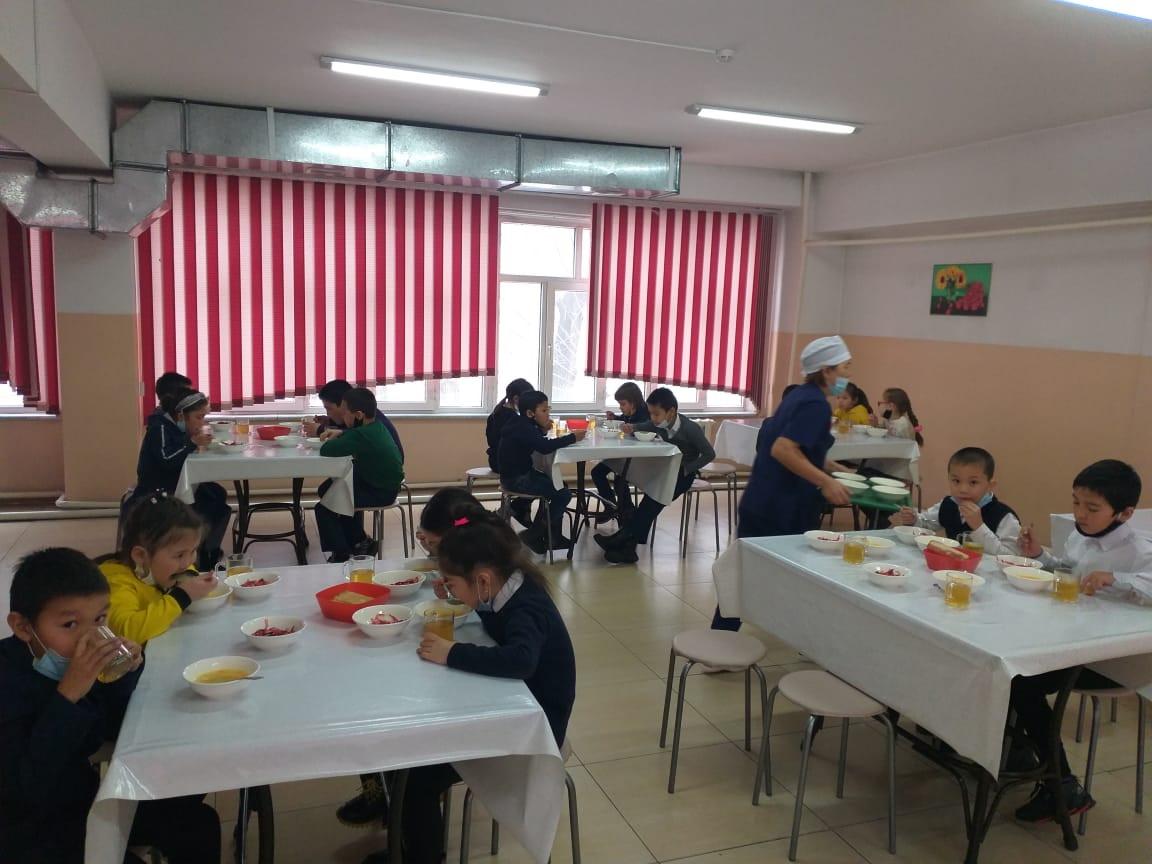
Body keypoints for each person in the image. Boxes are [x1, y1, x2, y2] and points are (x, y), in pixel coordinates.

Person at [361, 513, 576, 864]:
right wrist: (460, 596)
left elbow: (521, 660)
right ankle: (409, 843)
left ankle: (422, 856)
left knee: (416, 775)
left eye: (452, 584)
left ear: (483, 580)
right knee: (407, 754)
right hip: (512, 704)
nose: (450, 592)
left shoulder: (526, 606)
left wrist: (453, 653)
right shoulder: (504, 588)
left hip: (534, 728)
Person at [0, 548, 220, 864]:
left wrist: (124, 675)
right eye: (70, 625)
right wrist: (68, 696)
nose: (90, 637)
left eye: (100, 619)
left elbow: (110, 728)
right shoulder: (10, 680)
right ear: (23, 627)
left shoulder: (68, 665)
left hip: (84, 801)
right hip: (30, 832)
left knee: (197, 822)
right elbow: (25, 788)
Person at [1008, 460, 1152, 823]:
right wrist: (1039, 556)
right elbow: (1067, 572)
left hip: (1112, 661)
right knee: (1010, 666)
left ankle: (1062, 784)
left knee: (1022, 682)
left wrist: (1116, 578)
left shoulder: (1139, 551)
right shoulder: (1080, 536)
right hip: (1072, 641)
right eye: (1075, 503)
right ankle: (1018, 752)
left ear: (1124, 513)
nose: (1080, 514)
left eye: (1092, 508)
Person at [334, 487, 488, 827]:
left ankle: (411, 841)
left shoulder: (500, 578)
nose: (430, 549)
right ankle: (383, 795)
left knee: (412, 768)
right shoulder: (480, 562)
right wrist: (452, 587)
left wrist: (454, 650)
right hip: (478, 671)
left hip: (510, 711)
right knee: (375, 708)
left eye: (435, 544)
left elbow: (519, 656)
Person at [712, 336, 856, 630]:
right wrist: (825, 482)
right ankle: (792, 637)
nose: (848, 374)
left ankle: (724, 635)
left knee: (748, 576)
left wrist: (832, 467)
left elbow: (800, 446)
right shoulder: (816, 405)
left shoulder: (798, 396)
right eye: (844, 367)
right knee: (772, 577)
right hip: (781, 507)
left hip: (762, 500)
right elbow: (783, 449)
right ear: (826, 370)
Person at [593, 388, 716, 564]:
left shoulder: (690, 429)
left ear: (671, 411)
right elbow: (645, 426)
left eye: (656, 414)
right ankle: (627, 547)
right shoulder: (659, 423)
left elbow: (709, 454)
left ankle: (622, 540)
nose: (653, 418)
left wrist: (688, 469)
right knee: (650, 502)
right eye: (651, 413)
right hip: (667, 471)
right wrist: (631, 427)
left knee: (651, 502)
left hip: (683, 475)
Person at [132, 386, 231, 572]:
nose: (202, 422)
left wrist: (193, 438)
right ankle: (200, 555)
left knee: (217, 494)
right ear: (180, 415)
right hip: (158, 491)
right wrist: (192, 442)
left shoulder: (173, 426)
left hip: (176, 483)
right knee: (210, 507)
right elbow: (167, 460)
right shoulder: (159, 428)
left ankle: (208, 551)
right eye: (199, 417)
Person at [98, 494, 219, 645]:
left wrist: (191, 578)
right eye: (179, 555)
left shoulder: (165, 568)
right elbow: (125, 632)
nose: (188, 562)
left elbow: (187, 567)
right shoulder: (117, 582)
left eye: (193, 550)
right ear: (141, 555)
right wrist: (182, 596)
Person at [315, 387, 405, 563]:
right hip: (383, 482)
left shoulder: (360, 435)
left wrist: (335, 435)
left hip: (380, 491)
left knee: (324, 508)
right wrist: (343, 433)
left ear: (358, 415)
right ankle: (359, 541)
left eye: (345, 414)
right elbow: (354, 437)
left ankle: (341, 553)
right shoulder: (376, 426)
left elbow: (327, 449)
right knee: (328, 489)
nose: (342, 418)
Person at [497, 390, 585, 554]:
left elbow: (535, 440)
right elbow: (544, 447)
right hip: (518, 479)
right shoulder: (524, 428)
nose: (548, 414)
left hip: (514, 476)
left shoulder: (520, 423)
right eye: (544, 410)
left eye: (548, 409)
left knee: (559, 485)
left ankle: (553, 537)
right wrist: (572, 438)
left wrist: (543, 430)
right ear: (530, 413)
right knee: (563, 494)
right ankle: (535, 534)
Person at [889, 447, 1021, 555]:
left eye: (973, 482)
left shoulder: (1004, 517)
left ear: (990, 485)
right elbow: (927, 523)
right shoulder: (949, 504)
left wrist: (979, 527)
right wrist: (914, 519)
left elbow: (1011, 556)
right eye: (956, 481)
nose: (963, 489)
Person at [592, 381, 651, 526]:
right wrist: (615, 418)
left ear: (633, 402)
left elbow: (640, 428)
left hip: (640, 459)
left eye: (623, 404)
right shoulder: (631, 412)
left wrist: (629, 426)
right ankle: (611, 506)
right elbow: (624, 420)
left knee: (620, 480)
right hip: (624, 455)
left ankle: (627, 513)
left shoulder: (645, 415)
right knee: (597, 472)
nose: (621, 407)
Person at [303, 379, 405, 461]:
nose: (327, 413)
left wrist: (320, 430)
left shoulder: (370, 426)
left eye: (329, 408)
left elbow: (330, 448)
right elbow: (351, 430)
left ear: (343, 405)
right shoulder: (367, 414)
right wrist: (330, 421)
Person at [486, 378, 536, 527]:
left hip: (494, 460)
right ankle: (517, 509)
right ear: (516, 399)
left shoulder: (497, 412)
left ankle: (521, 510)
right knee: (544, 476)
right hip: (505, 463)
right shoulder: (513, 418)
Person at [862, 388, 923, 483]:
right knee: (863, 469)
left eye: (880, 403)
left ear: (891, 406)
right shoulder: (889, 419)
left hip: (897, 471)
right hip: (887, 466)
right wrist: (875, 425)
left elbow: (895, 444)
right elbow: (884, 434)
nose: (879, 406)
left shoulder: (902, 425)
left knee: (863, 473)